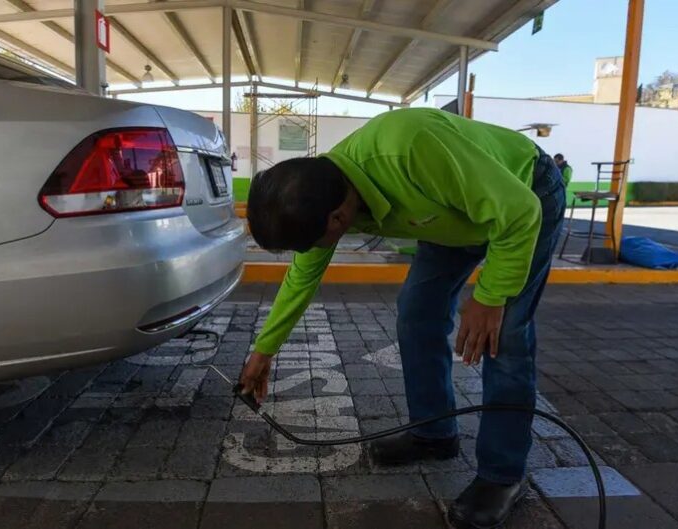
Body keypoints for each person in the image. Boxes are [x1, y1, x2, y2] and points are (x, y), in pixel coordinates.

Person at [240, 108, 566, 528]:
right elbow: (303, 276)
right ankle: (434, 434)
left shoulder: (410, 150)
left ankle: (502, 475)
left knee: (505, 337)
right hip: (450, 215)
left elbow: (519, 212)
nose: (316, 249)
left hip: (525, 195)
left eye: (317, 240)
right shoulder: (322, 193)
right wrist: (263, 352)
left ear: (338, 218)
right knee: (416, 314)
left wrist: (490, 297)